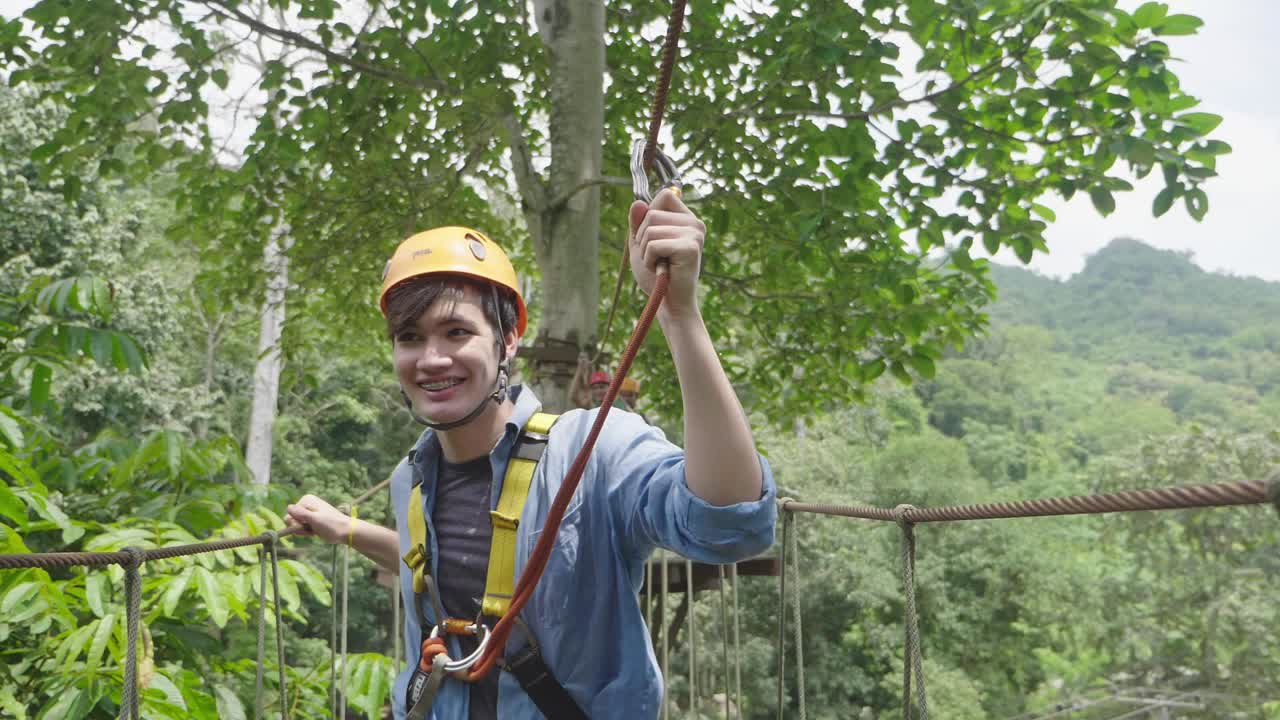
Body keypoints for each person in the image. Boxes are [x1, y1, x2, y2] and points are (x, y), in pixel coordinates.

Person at [286, 190, 776, 720]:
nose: (431, 359)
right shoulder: (412, 478)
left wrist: (680, 314)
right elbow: (439, 567)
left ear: (509, 339)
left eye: (457, 332)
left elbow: (729, 526)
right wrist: (347, 530)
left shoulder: (590, 450)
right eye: (409, 337)